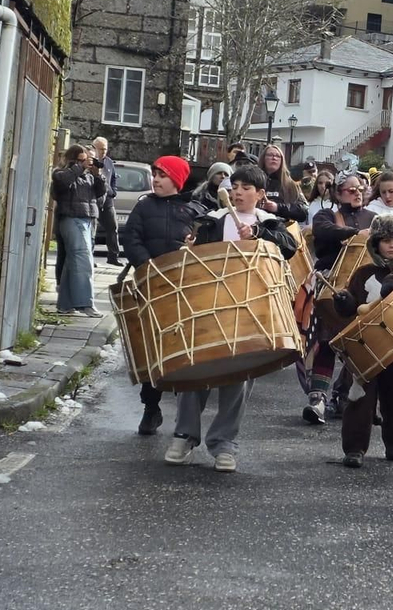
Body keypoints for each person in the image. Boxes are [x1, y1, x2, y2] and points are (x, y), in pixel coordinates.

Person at [164, 165, 299, 473]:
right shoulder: (212, 221)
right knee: (195, 367)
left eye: (246, 188)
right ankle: (184, 435)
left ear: (260, 194)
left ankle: (224, 443)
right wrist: (190, 247)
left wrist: (260, 235)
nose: (238, 192)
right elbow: (194, 259)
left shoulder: (270, 223)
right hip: (209, 304)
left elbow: (289, 247)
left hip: (251, 308)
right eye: (234, 186)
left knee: (239, 374)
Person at [119, 155, 203, 436]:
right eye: (155, 174)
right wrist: (147, 266)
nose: (155, 179)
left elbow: (206, 245)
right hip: (152, 286)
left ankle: (184, 415)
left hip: (184, 289)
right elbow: (131, 239)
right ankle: (151, 408)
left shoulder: (195, 210)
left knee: (184, 350)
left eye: (162, 175)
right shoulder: (144, 206)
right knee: (152, 349)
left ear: (177, 180)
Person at [329, 214, 393, 467]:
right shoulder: (363, 273)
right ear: (375, 243)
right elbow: (351, 307)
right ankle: (354, 448)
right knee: (359, 398)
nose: (391, 246)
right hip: (365, 344)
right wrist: (344, 302)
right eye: (385, 240)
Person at [304, 172, 377, 424]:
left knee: (357, 344)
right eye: (351, 190)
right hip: (331, 284)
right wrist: (355, 234)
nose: (357, 193)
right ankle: (317, 399)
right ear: (337, 193)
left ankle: (343, 396)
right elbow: (322, 230)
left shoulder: (374, 218)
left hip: (364, 288)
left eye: (360, 189)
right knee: (327, 340)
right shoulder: (326, 215)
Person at [51, 144, 106, 318]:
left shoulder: (88, 176)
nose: (86, 163)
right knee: (84, 261)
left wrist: (98, 175)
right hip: (71, 219)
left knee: (72, 262)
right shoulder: (60, 173)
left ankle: (65, 304)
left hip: (88, 220)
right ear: (73, 160)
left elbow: (101, 192)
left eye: (87, 160)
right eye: (82, 160)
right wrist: (79, 167)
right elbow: (62, 183)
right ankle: (85, 303)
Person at [259, 144, 310, 224]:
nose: (274, 158)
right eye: (270, 155)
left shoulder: (291, 185)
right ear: (263, 159)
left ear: (282, 160)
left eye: (277, 156)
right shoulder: (254, 182)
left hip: (282, 227)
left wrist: (278, 207)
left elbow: (304, 210)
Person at [91, 137, 121, 266]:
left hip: (107, 200)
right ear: (94, 148)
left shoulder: (108, 162)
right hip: (93, 199)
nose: (103, 152)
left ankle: (113, 256)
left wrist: (113, 191)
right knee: (92, 229)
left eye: (105, 149)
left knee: (113, 227)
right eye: (101, 149)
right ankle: (90, 257)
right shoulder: (90, 161)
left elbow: (113, 178)